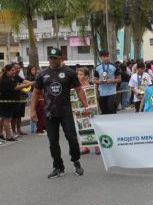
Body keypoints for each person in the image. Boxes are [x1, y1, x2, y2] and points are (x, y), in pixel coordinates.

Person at [31, 48, 89, 179]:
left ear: (60, 58)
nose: (52, 60)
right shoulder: (42, 74)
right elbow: (35, 92)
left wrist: (86, 106)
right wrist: (33, 110)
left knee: (72, 138)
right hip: (49, 113)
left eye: (55, 58)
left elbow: (79, 90)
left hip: (65, 112)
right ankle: (58, 167)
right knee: (53, 141)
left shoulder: (69, 72)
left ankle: (76, 161)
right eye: (50, 58)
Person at [0, 64, 32, 141]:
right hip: (6, 102)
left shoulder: (10, 77)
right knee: (7, 119)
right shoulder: (5, 79)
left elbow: (22, 81)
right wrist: (28, 84)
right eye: (13, 70)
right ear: (7, 71)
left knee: (5, 118)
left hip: (10, 102)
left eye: (16, 70)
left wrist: (30, 83)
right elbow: (16, 87)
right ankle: (9, 136)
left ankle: (2, 134)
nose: (15, 72)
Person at [77, 67, 100, 156]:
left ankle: (97, 146)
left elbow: (95, 98)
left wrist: (97, 109)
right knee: (82, 126)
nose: (78, 76)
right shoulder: (77, 87)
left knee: (93, 126)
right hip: (81, 110)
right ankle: (85, 147)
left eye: (81, 74)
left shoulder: (91, 85)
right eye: (78, 74)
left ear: (86, 76)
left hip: (91, 109)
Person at [94, 50, 121, 114]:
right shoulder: (97, 68)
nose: (106, 58)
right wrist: (100, 82)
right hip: (102, 92)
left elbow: (119, 79)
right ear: (101, 57)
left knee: (111, 110)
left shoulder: (114, 67)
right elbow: (95, 80)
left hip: (112, 92)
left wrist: (111, 81)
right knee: (104, 111)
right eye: (104, 57)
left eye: (107, 56)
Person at [12, 63, 33, 137]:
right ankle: (14, 131)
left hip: (20, 98)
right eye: (16, 68)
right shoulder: (11, 77)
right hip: (13, 99)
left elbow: (24, 81)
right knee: (14, 116)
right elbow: (16, 87)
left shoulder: (17, 76)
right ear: (12, 68)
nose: (18, 70)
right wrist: (26, 88)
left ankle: (19, 130)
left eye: (19, 68)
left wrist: (33, 83)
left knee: (19, 115)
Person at [26, 65, 38, 133]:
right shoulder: (27, 78)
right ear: (29, 70)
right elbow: (26, 88)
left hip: (36, 93)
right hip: (30, 93)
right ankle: (33, 128)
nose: (34, 71)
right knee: (33, 110)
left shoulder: (36, 76)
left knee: (36, 109)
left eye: (34, 69)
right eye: (32, 69)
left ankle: (36, 126)